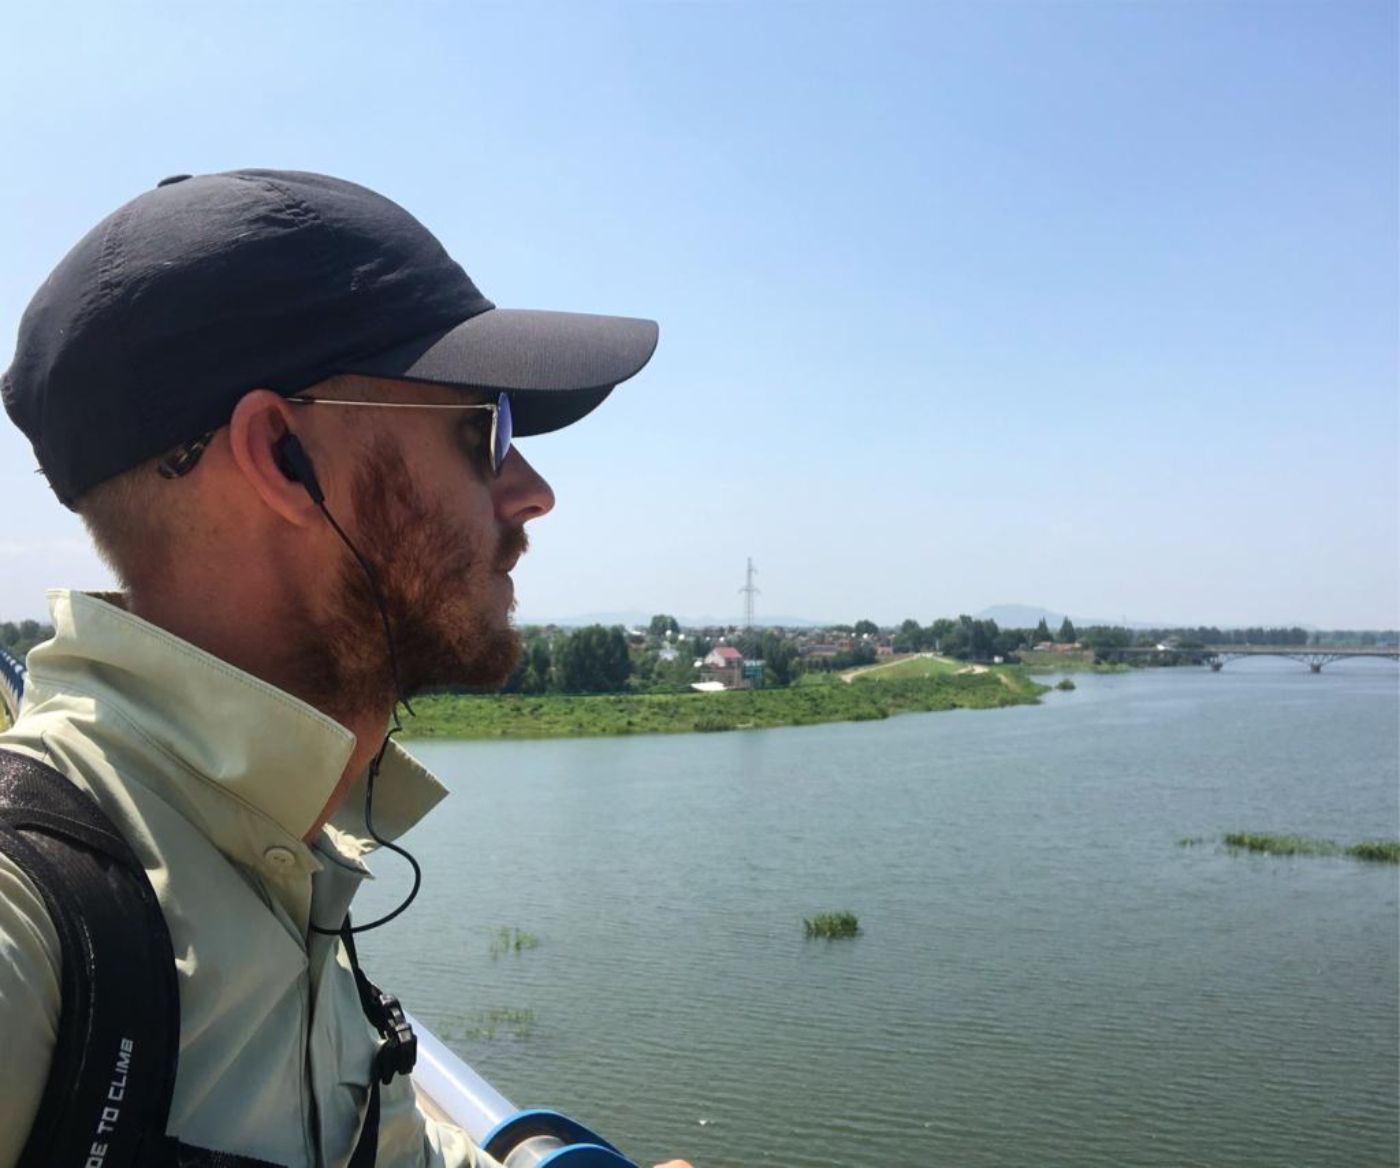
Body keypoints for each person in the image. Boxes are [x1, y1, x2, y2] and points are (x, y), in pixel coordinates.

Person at [0, 170, 687, 1168]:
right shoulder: (33, 914)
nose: (531, 492)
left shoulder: (276, 848)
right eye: (482, 430)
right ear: (281, 455)